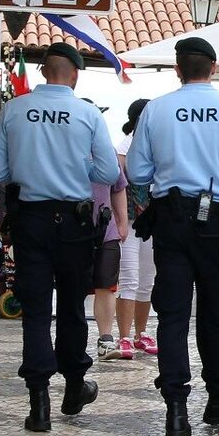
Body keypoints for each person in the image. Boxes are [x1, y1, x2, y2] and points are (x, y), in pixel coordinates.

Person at [125, 37, 219, 436]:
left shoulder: (156, 110)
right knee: (217, 310)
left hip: (172, 220)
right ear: (213, 68)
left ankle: (175, 408)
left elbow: (137, 174)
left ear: (178, 69)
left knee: (172, 315)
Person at [0, 42, 120, 432]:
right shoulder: (87, 113)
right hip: (75, 223)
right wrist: (78, 166)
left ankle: (38, 402)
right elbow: (109, 173)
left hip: (31, 219)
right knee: (71, 307)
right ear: (75, 74)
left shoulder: (13, 110)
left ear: (45, 71)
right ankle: (75, 386)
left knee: (35, 308)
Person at [81, 99, 130, 362]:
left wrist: (121, 222)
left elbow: (118, 187)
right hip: (72, 228)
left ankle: (105, 339)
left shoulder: (107, 150)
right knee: (74, 285)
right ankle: (72, 337)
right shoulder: (65, 149)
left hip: (105, 228)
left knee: (106, 285)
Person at [115, 99, 158, 359]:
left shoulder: (156, 143)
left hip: (151, 221)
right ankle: (124, 336)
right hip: (130, 220)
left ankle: (141, 333)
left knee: (146, 280)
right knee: (129, 278)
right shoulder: (125, 146)